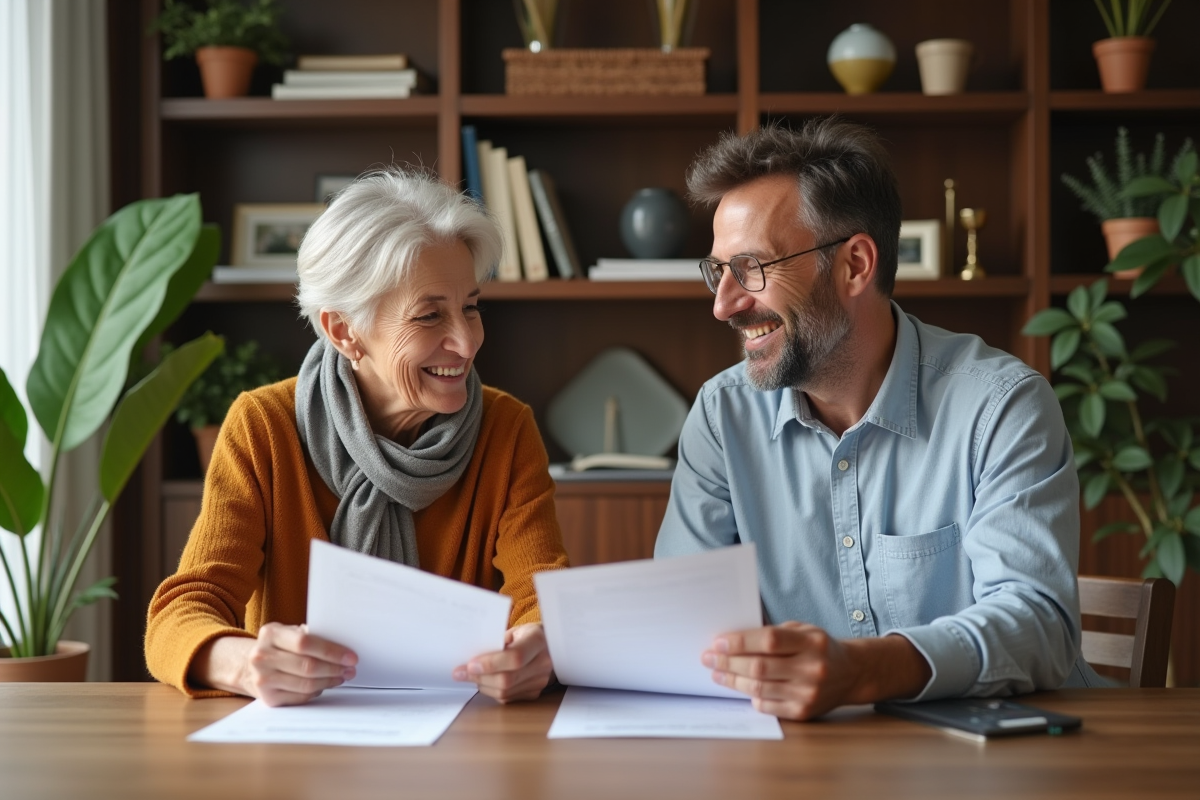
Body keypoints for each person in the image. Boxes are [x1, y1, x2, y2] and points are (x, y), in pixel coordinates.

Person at [655, 118, 1102, 721]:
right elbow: (678, 622)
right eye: (717, 271)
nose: (724, 304)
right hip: (817, 765)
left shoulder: (1001, 406)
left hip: (1013, 758)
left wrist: (862, 670)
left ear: (855, 265)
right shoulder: (721, 415)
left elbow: (1038, 625)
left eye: (752, 268)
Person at [146, 167, 569, 707]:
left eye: (470, 307)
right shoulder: (263, 427)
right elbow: (183, 610)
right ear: (343, 330)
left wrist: (539, 645)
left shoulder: (506, 429)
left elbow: (540, 593)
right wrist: (243, 663)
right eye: (429, 316)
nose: (466, 342)